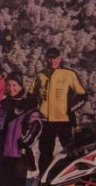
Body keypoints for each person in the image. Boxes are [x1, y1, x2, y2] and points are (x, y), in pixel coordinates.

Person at [28, 47, 87, 178]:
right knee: (45, 152)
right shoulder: (40, 75)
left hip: (64, 121)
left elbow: (83, 95)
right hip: (45, 121)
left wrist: (70, 108)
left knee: (71, 151)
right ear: (46, 59)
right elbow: (31, 95)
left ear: (59, 59)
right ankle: (44, 179)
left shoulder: (69, 74)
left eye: (54, 58)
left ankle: (73, 179)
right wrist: (33, 112)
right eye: (49, 57)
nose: (52, 60)